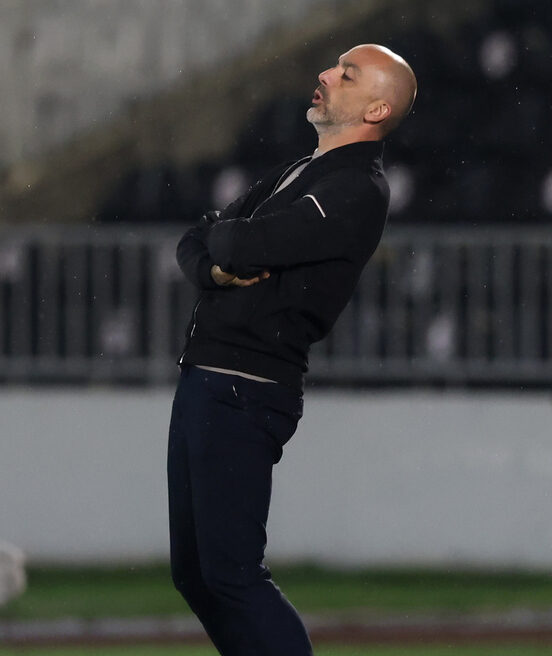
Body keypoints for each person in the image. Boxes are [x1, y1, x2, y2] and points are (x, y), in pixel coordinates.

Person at [167, 44, 416, 656]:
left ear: (378, 107)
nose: (325, 75)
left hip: (244, 387)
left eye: (346, 74)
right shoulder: (300, 171)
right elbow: (198, 241)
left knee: (231, 574)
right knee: (197, 575)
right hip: (210, 379)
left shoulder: (358, 187)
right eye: (333, 66)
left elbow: (235, 241)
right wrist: (217, 259)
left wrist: (222, 251)